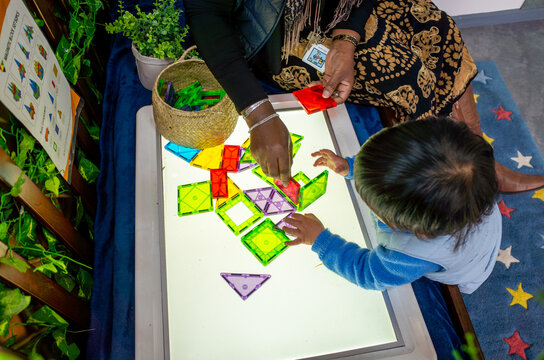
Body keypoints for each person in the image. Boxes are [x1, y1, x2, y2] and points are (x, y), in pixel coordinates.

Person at [184, 0, 544, 192]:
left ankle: (480, 160)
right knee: (408, 75)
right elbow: (206, 16)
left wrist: (348, 38)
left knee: (439, 27)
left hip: (347, 7)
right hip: (284, 36)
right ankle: (453, 176)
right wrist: (258, 113)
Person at [283, 117, 501, 294]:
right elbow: (398, 165)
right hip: (483, 227)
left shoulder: (413, 254)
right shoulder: (473, 181)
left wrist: (322, 240)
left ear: (416, 230)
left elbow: (367, 273)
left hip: (470, 267)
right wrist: (353, 168)